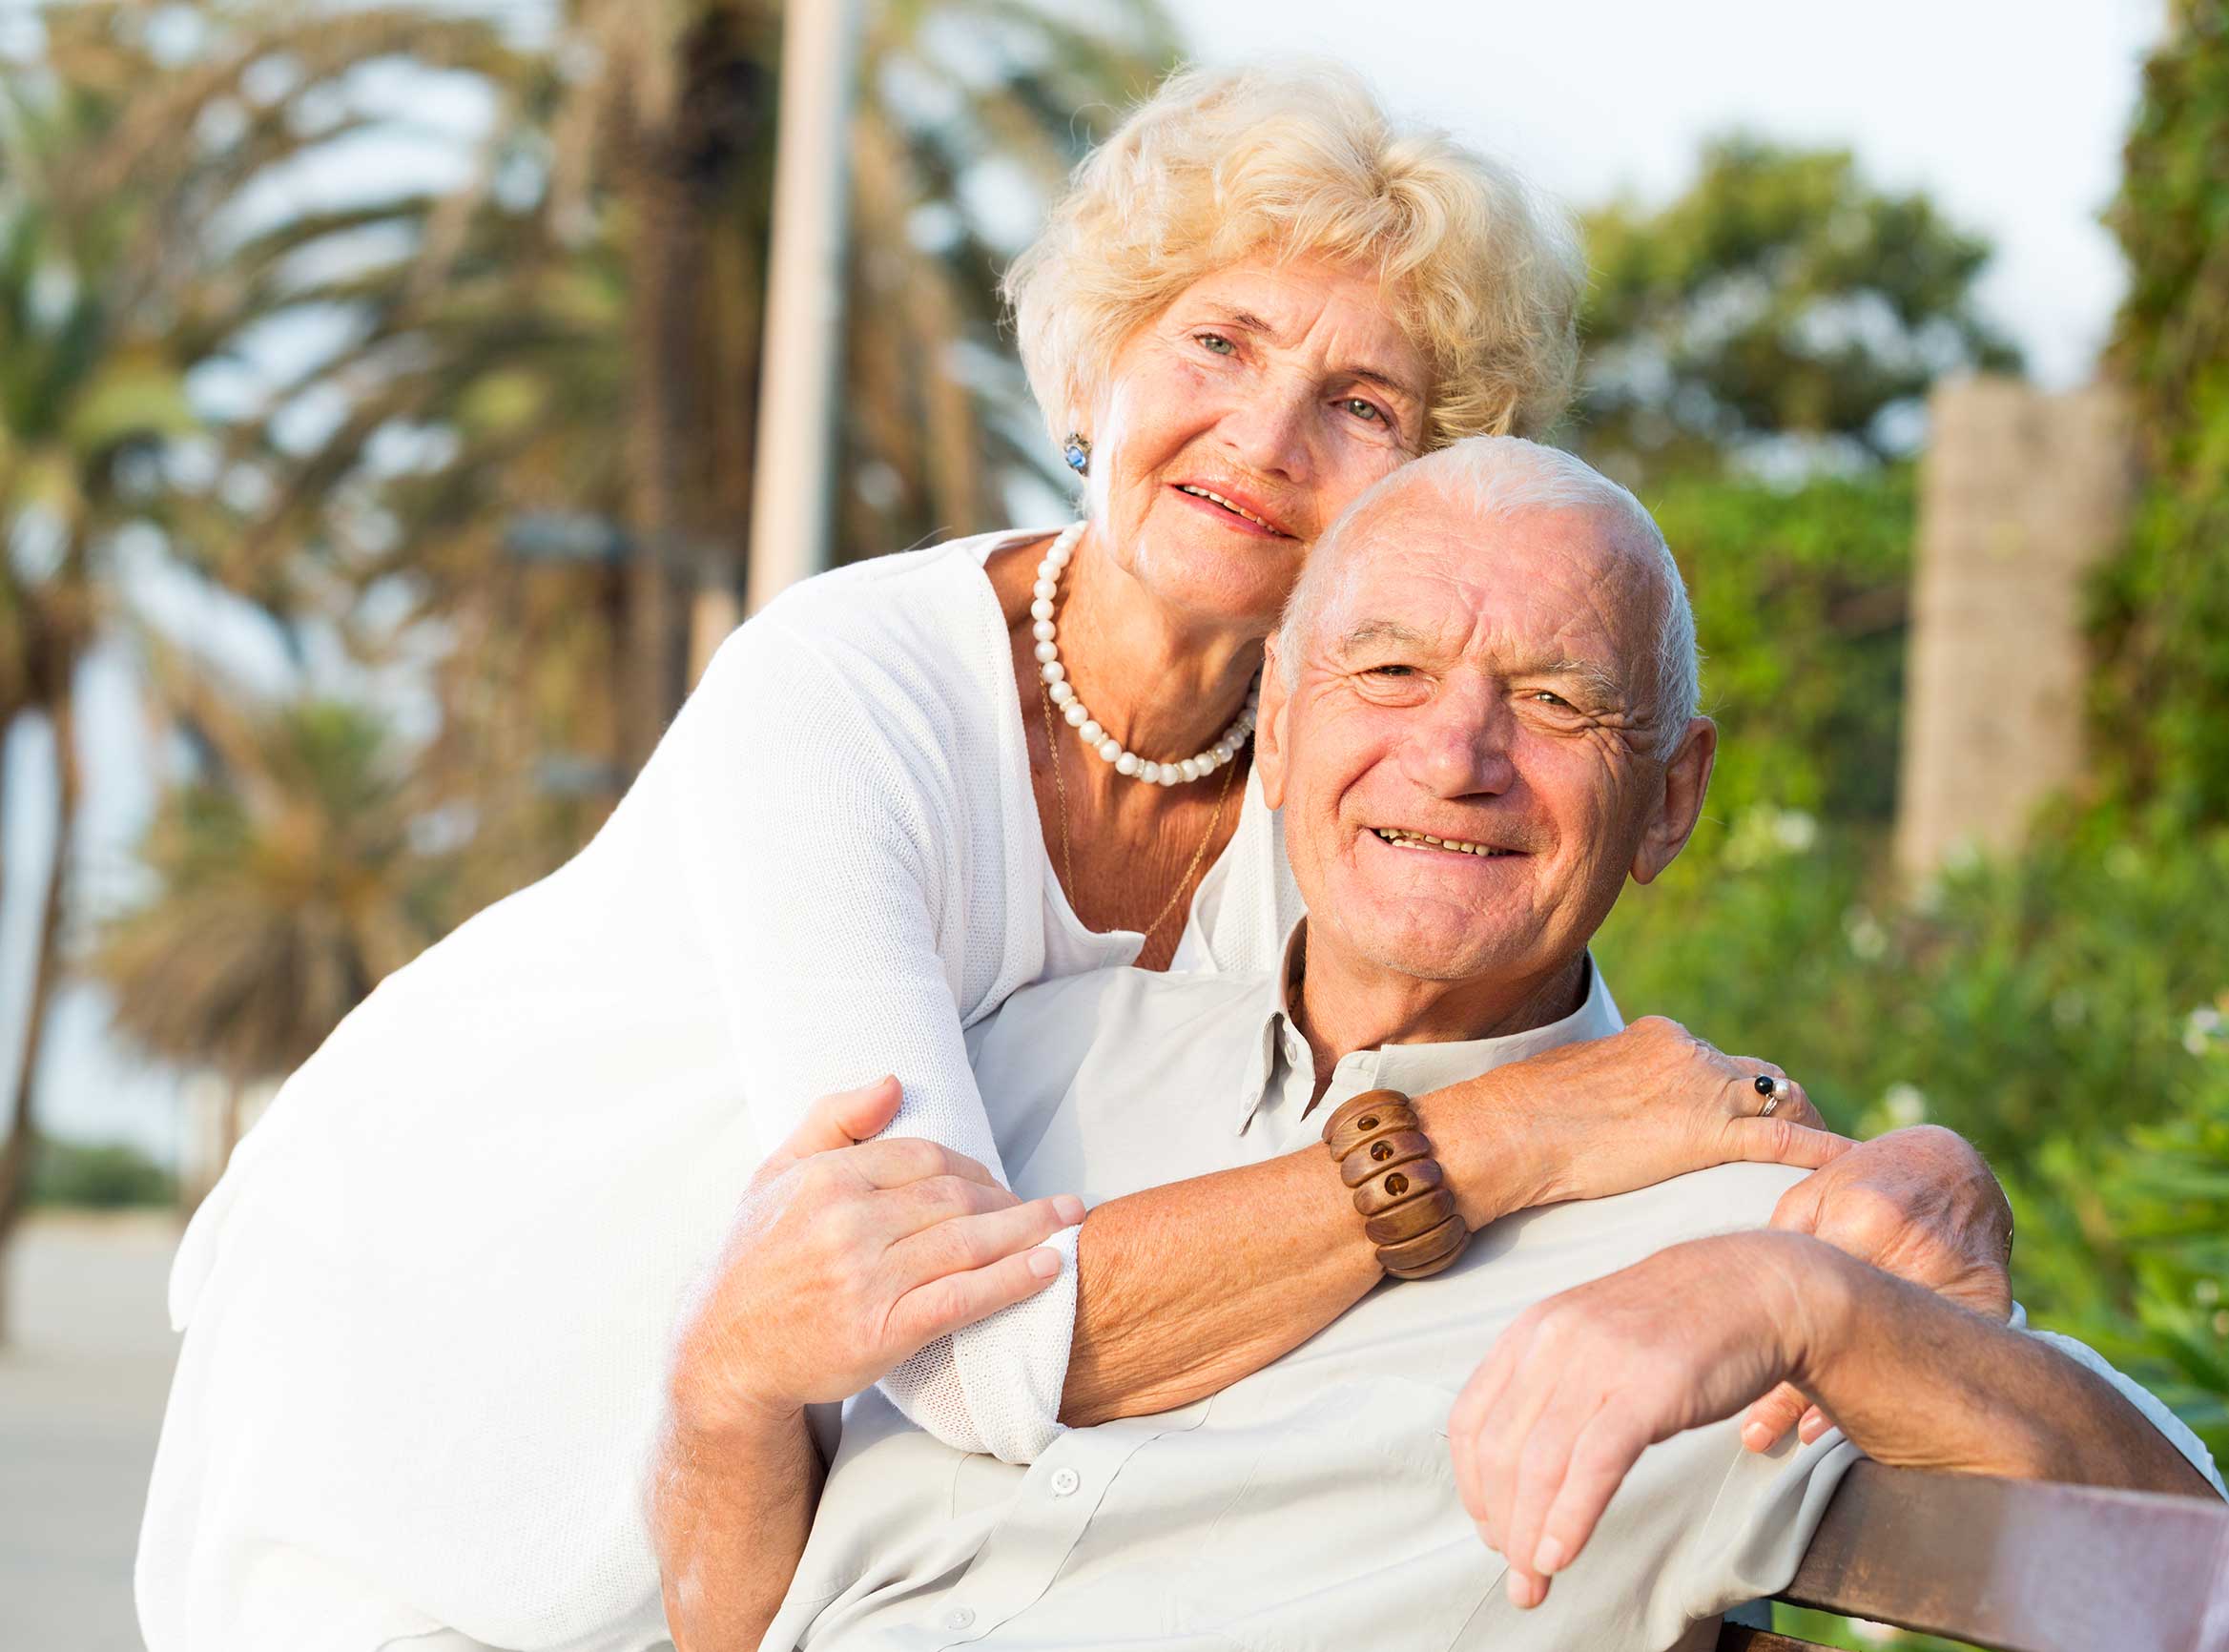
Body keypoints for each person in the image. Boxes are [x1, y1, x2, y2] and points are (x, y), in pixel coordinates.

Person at [141, 65, 1999, 1652]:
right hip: (449, 1352)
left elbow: (1461, 1008)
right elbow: (960, 1338)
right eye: (1217, 340)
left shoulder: (1318, 781)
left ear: (1424, 480)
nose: (1263, 436)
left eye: (1361, 401)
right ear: (1098, 364)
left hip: (760, 1498)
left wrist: (1891, 1176)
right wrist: (1530, 1130)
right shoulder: (849, 691)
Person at [665, 439, 2219, 1651]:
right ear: (1276, 729)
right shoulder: (1022, 1058)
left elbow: (2188, 1587)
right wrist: (727, 1391)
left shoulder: (1749, 1243)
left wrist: (1802, 1301)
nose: (1456, 755)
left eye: (1552, 699)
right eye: (1389, 671)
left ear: (1669, 799)